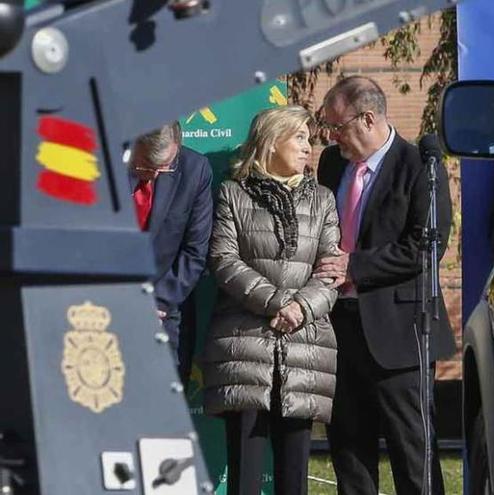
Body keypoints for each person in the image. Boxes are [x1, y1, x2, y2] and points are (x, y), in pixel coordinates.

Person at [314, 75, 455, 494]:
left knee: (412, 451)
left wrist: (354, 266)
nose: (332, 136)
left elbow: (423, 248)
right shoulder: (331, 163)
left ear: (368, 118)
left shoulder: (420, 167)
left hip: (399, 333)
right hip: (341, 327)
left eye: (337, 127)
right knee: (349, 451)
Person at [201, 106, 340, 495]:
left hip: (305, 349)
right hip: (244, 345)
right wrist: (279, 303)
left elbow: (332, 271)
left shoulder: (323, 200)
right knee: (245, 476)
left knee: (293, 478)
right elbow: (223, 260)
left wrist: (300, 309)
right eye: (299, 137)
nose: (308, 147)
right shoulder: (233, 193)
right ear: (271, 140)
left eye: (309, 139)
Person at [129, 121, 212, 379]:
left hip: (163, 310)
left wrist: (155, 302)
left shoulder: (194, 171)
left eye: (164, 166)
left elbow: (195, 250)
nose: (154, 174)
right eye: (145, 166)